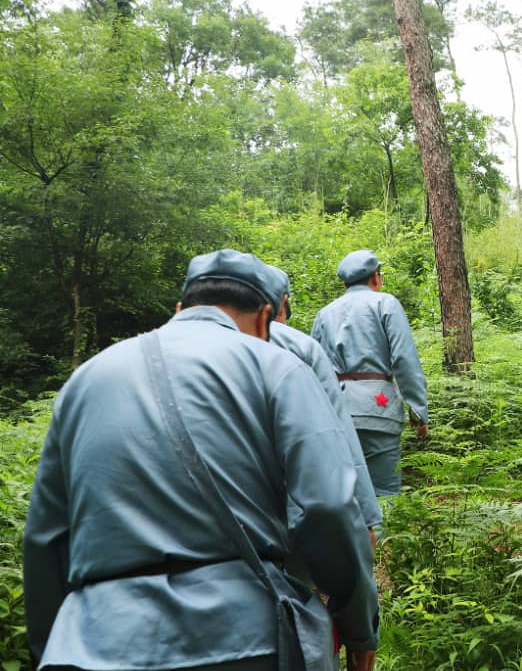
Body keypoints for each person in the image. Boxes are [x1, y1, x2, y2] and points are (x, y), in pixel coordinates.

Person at [24, 249, 379, 671]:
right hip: (241, 638)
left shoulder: (84, 381)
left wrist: (54, 647)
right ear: (267, 317)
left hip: (94, 641)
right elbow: (327, 505)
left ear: (180, 308)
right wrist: (359, 630)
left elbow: (45, 539)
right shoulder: (277, 367)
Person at [262, 265, 382, 542]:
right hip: (289, 509)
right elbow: (336, 432)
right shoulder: (298, 347)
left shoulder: (172, 350)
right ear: (282, 302)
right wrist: (365, 517)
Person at [311, 249, 429, 498]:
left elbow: (314, 367)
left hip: (336, 412)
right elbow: (404, 359)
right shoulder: (385, 303)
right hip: (378, 410)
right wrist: (418, 412)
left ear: (345, 282)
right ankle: (383, 536)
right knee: (384, 492)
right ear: (376, 277)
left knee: (346, 494)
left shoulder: (325, 313)